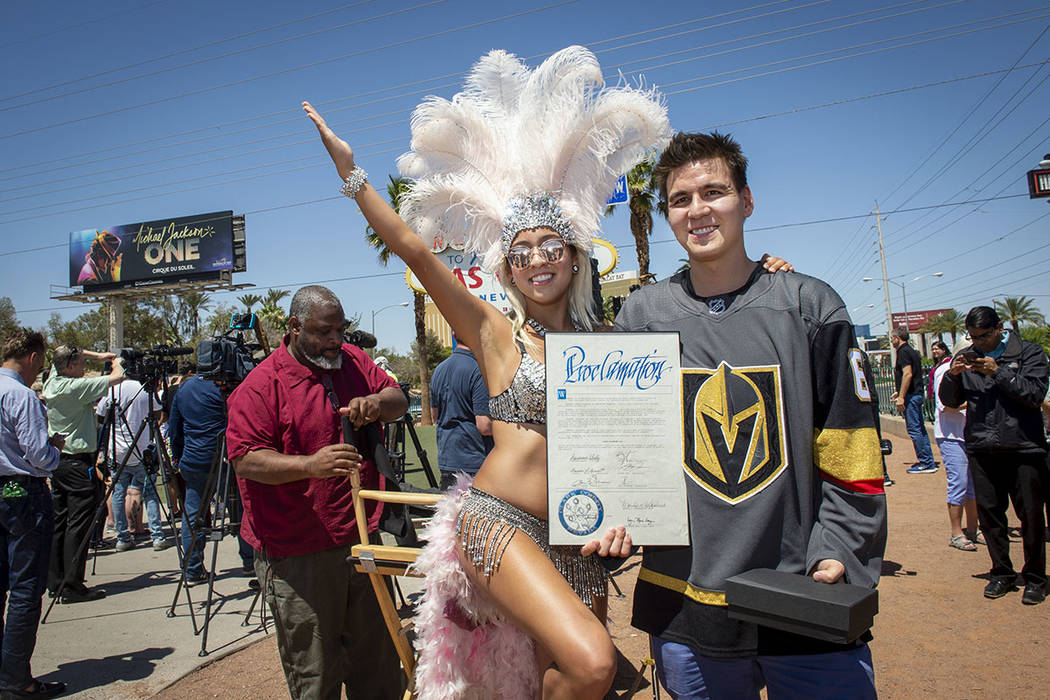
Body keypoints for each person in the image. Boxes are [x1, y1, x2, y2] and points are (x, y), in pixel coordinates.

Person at [305, 47, 672, 698]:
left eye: (550, 247)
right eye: (521, 251)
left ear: (575, 256)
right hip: (498, 522)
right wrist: (354, 176)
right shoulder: (495, 334)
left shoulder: (609, 348)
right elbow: (414, 248)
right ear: (507, 268)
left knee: (568, 679)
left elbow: (634, 450)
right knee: (594, 662)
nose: (536, 260)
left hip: (578, 536)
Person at [614, 131, 887, 698]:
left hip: (803, 589)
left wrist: (840, 548)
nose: (698, 209)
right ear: (667, 214)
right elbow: (624, 447)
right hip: (684, 600)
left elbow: (852, 445)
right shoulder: (641, 317)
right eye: (681, 199)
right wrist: (609, 510)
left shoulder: (810, 305)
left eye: (713, 192)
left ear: (747, 200)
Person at [225, 285, 408, 700]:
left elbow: (398, 397)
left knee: (379, 666)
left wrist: (377, 404)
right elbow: (246, 460)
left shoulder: (353, 362)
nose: (335, 341)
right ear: (294, 327)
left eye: (340, 331)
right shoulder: (260, 386)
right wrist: (310, 465)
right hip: (297, 554)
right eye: (325, 332)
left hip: (361, 537)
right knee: (316, 675)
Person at [939, 306, 1049, 605]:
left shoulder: (1029, 353)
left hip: (1023, 448)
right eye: (973, 337)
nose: (979, 343)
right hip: (982, 448)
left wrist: (997, 372)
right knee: (991, 517)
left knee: (1031, 517)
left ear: (999, 328)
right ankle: (1002, 572)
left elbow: (1034, 395)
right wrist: (952, 375)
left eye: (984, 336)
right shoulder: (967, 357)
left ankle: (1036, 578)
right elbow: (950, 401)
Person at [0, 329, 67, 699]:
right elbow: (39, 457)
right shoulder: (21, 395)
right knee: (25, 588)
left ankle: (7, 670)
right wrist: (54, 450)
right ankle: (16, 679)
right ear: (34, 359)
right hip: (20, 490)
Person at [42, 345, 124, 603]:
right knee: (79, 525)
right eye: (79, 365)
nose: (83, 370)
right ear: (69, 367)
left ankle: (56, 581)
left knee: (61, 521)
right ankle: (73, 585)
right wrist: (117, 361)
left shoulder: (53, 381)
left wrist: (98, 356)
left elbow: (63, 351)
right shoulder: (73, 387)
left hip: (60, 460)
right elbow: (117, 378)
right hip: (78, 463)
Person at [168, 371, 251, 585]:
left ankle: (193, 569)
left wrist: (177, 457)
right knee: (242, 510)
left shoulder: (185, 388)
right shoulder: (225, 387)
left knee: (193, 515)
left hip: (194, 460)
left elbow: (174, 428)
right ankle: (250, 562)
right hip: (225, 459)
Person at [95, 377, 169, 552]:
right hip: (142, 448)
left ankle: (123, 537)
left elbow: (101, 417)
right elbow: (158, 414)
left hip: (118, 450)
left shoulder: (112, 390)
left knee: (119, 494)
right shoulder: (144, 390)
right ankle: (157, 536)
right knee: (150, 493)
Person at [929, 340, 979, 551]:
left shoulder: (976, 372)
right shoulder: (944, 371)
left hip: (971, 435)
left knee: (973, 484)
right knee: (958, 481)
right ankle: (956, 532)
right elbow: (946, 406)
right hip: (951, 435)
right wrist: (977, 401)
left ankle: (973, 529)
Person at [430, 339, 493, 491]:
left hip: (447, 457)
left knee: (450, 512)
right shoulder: (478, 369)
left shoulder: (438, 370)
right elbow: (484, 426)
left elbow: (434, 416)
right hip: (474, 460)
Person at [890, 327, 938, 474]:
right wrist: (899, 391)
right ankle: (927, 460)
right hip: (915, 394)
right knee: (920, 429)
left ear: (897, 338)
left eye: (891, 338)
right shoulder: (911, 351)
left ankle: (925, 462)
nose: (891, 341)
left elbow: (908, 374)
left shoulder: (903, 352)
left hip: (911, 397)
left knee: (914, 429)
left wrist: (902, 397)